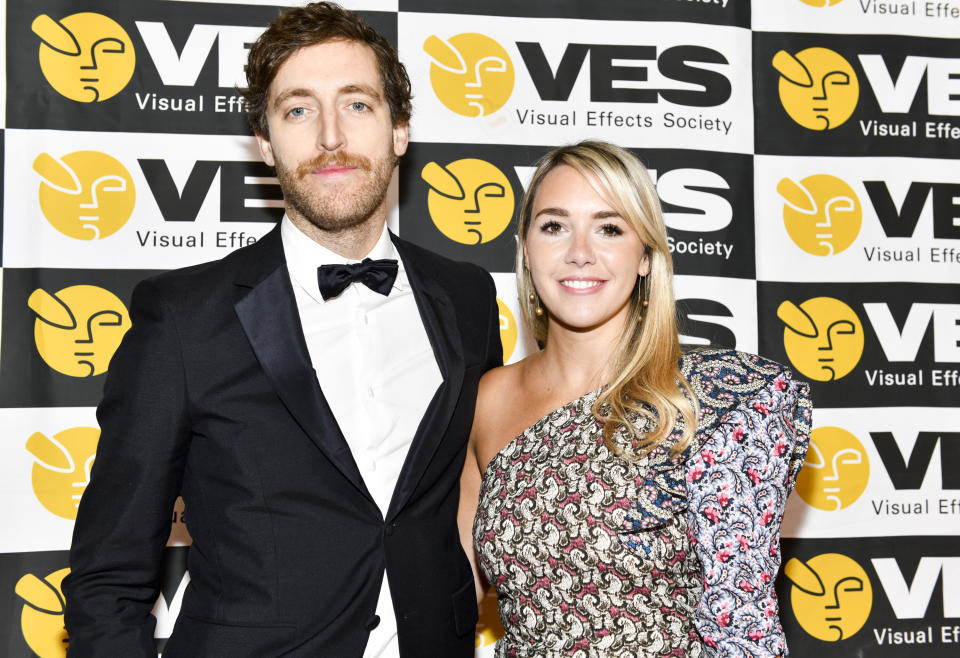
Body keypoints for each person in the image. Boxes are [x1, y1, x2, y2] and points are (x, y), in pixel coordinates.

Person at [63, 3, 501, 656]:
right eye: (298, 109)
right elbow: (108, 577)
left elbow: (470, 492)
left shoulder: (466, 296)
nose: (330, 136)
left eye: (357, 104)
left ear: (399, 129)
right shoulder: (183, 318)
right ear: (265, 143)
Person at [459, 141, 811, 657]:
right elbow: (454, 593)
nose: (580, 251)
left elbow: (743, 622)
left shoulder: (716, 401)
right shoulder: (487, 399)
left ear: (645, 255)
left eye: (610, 228)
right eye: (554, 226)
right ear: (526, 249)